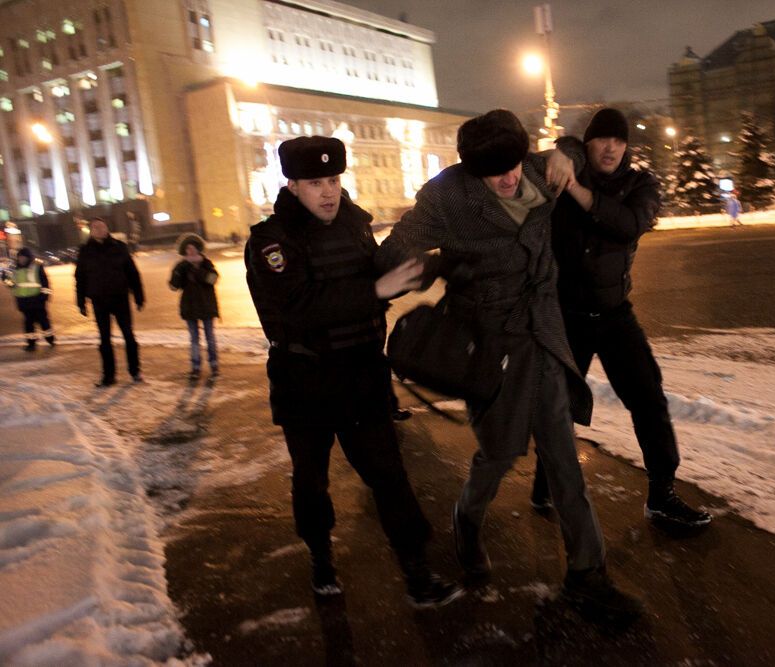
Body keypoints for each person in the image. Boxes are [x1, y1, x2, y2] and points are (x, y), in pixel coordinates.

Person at [377, 109, 641, 624]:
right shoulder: (447, 197)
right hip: (490, 349)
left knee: (565, 462)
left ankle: (588, 576)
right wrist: (440, 265)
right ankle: (466, 519)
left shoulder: (540, 169)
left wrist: (564, 149)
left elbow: (569, 152)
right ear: (473, 170)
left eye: (514, 164)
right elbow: (391, 255)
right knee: (498, 456)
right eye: (495, 172)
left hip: (542, 336)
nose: (509, 177)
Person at [245, 136, 461, 608]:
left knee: (389, 476)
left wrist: (433, 265)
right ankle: (321, 557)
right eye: (316, 182)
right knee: (311, 480)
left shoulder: (356, 226)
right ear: (293, 185)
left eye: (335, 180)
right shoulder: (271, 242)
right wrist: (377, 288)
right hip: (305, 381)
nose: (328, 192)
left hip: (362, 376)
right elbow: (297, 307)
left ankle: (417, 572)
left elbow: (383, 274)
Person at [530, 107, 711, 530]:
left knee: (648, 399)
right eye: (601, 139)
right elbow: (537, 164)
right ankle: (546, 481)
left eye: (619, 139)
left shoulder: (640, 183)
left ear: (626, 146)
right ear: (589, 143)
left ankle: (662, 494)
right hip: (566, 316)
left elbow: (629, 223)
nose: (610, 146)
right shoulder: (568, 164)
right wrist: (561, 151)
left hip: (614, 315)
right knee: (557, 407)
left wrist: (574, 187)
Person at [75, 218, 144, 386]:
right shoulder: (85, 251)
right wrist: (81, 302)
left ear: (107, 228)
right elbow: (80, 278)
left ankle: (135, 371)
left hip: (120, 299)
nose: (99, 229)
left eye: (102, 226)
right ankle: (108, 376)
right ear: (91, 231)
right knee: (104, 339)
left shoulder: (119, 247)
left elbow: (132, 273)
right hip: (99, 301)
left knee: (129, 335)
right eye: (95, 227)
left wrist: (139, 295)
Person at [169, 234, 220, 380]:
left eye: (193, 248)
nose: (190, 251)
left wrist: (198, 270)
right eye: (188, 249)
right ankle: (195, 367)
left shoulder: (207, 264)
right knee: (194, 339)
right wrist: (182, 269)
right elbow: (173, 286)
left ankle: (214, 365)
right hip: (190, 307)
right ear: (184, 251)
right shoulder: (181, 266)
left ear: (198, 249)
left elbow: (213, 279)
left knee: (210, 337)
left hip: (207, 306)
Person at [3, 247, 55, 351]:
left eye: (23, 257)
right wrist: (5, 279)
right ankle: (31, 344)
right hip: (24, 302)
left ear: (28, 257)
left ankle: (50, 339)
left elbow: (45, 283)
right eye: (20, 257)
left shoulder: (37, 266)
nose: (21, 259)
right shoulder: (15, 269)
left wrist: (44, 297)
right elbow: (12, 285)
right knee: (28, 324)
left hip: (37, 300)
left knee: (44, 322)